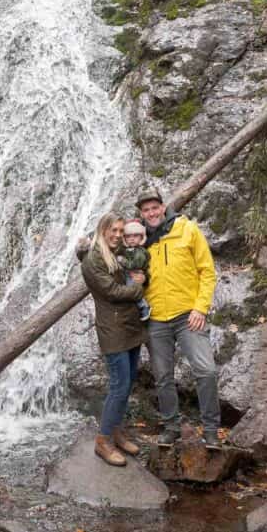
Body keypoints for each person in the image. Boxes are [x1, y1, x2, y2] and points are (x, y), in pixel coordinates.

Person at [136, 187, 221, 449]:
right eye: (145, 210)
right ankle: (171, 426)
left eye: (154, 207)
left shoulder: (187, 229)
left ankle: (210, 430)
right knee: (162, 376)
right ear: (141, 214)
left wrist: (200, 308)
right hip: (157, 319)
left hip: (188, 315)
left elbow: (207, 271)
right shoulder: (138, 240)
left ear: (163, 207)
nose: (151, 213)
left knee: (206, 371)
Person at [80, 212, 148, 466]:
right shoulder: (93, 259)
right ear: (103, 229)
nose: (118, 235)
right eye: (114, 230)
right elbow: (112, 291)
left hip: (129, 327)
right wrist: (138, 286)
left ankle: (117, 431)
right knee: (119, 385)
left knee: (128, 382)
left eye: (121, 231)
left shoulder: (115, 253)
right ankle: (103, 440)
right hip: (113, 329)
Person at [117, 219, 151, 322]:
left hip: (135, 274)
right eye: (128, 236)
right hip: (130, 274)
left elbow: (134, 265)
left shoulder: (140, 252)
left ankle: (144, 306)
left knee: (133, 291)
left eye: (135, 236)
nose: (132, 239)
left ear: (141, 237)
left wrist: (123, 260)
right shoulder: (129, 250)